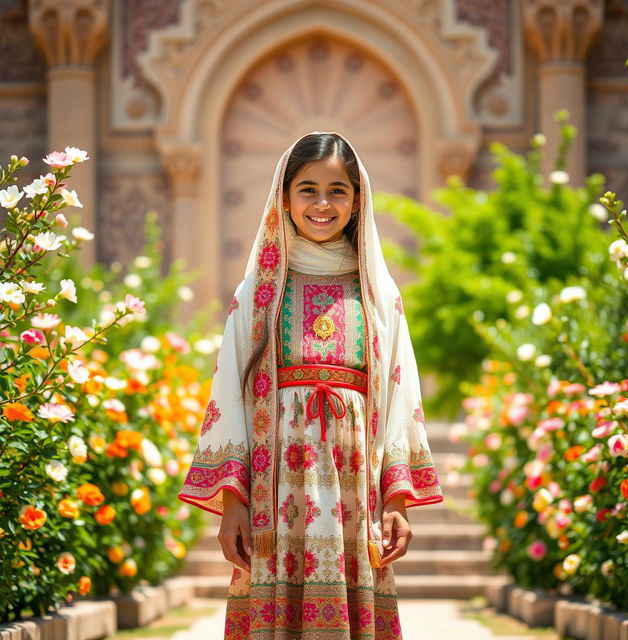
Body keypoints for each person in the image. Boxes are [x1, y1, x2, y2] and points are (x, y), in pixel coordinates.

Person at [178, 131, 443, 639]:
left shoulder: (378, 293)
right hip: (276, 492)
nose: (323, 203)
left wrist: (397, 501)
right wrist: (233, 503)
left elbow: (399, 395)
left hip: (355, 489)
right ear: (283, 196)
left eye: (337, 190)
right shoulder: (259, 291)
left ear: (357, 198)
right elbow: (228, 393)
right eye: (308, 189)